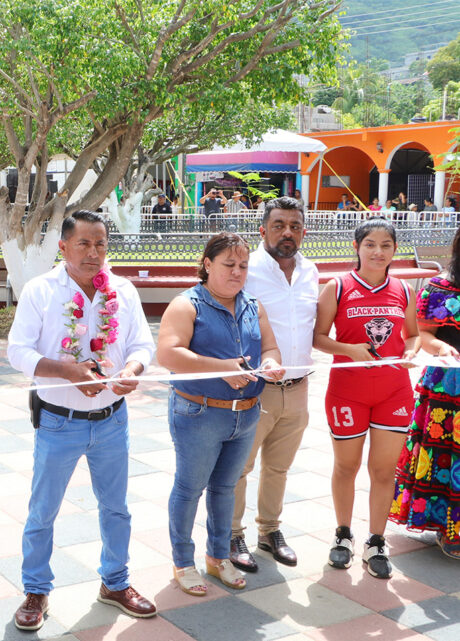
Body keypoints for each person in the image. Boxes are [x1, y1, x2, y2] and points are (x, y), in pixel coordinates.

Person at [7, 211, 158, 628]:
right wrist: (68, 371)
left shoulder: (123, 291)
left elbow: (143, 344)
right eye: (83, 244)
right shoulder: (40, 291)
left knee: (116, 509)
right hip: (59, 421)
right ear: (63, 247)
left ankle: (115, 581)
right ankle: (35, 592)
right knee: (43, 511)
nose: (94, 253)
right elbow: (17, 352)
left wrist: (132, 370)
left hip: (112, 420)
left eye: (101, 244)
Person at [156, 232, 285, 596]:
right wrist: (221, 368)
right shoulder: (187, 305)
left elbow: (271, 346)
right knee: (189, 488)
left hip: (245, 414)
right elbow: (167, 354)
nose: (237, 272)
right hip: (199, 413)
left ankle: (217, 556)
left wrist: (272, 362)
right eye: (229, 264)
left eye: (243, 266)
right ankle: (183, 562)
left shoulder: (252, 305)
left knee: (225, 488)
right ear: (207, 264)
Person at [314, 218, 419, 579]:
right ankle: (343, 535)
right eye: (370, 244)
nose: (378, 251)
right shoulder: (338, 286)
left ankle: (376, 541)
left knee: (383, 470)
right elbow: (318, 337)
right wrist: (348, 349)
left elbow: (413, 335)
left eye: (386, 245)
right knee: (347, 466)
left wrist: (410, 352)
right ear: (356, 247)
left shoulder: (404, 289)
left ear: (394, 250)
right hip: (348, 391)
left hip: (394, 391)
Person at [227, 198, 319, 573]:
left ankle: (269, 531)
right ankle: (231, 535)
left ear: (304, 232)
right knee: (238, 467)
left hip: (298, 388)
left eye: (295, 226)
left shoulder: (311, 272)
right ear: (262, 230)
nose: (287, 232)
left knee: (278, 468)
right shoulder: (246, 271)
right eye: (279, 224)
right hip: (255, 388)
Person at [391, 227, 460, 558]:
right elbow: (424, 335)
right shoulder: (441, 288)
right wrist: (444, 349)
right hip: (449, 385)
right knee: (448, 454)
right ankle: (447, 528)